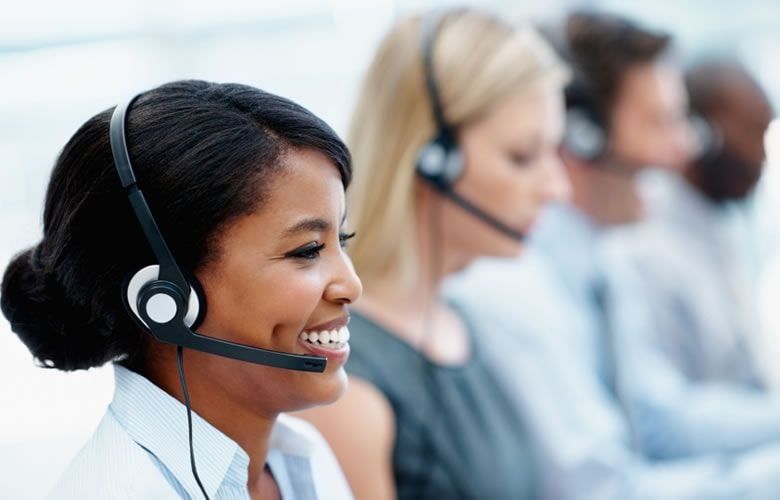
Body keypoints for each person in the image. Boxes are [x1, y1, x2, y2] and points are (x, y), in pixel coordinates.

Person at [446, 11, 780, 499]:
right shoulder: (517, 291)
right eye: (660, 123)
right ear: (583, 137)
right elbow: (600, 491)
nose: (686, 148)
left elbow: (659, 420)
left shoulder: (603, 259)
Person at [1, 80, 362, 499]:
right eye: (308, 250)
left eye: (342, 239)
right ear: (166, 298)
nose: (352, 285)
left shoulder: (306, 459)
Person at [295, 8, 570, 499]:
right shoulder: (345, 380)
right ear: (431, 159)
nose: (557, 188)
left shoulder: (465, 320)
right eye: (522, 157)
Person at [603, 58, 780, 460]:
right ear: (703, 133)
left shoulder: (714, 225)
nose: (761, 156)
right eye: (752, 131)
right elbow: (666, 424)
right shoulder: (643, 241)